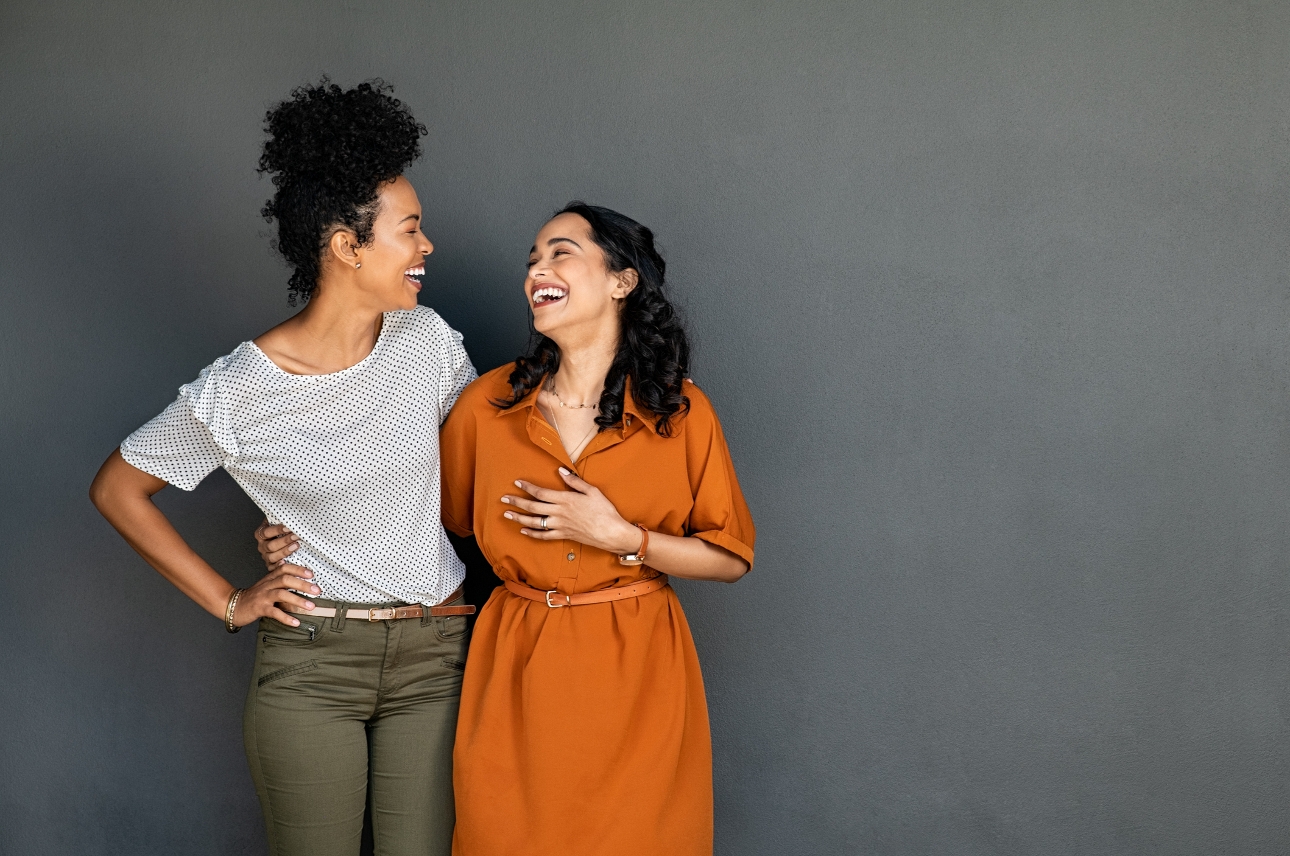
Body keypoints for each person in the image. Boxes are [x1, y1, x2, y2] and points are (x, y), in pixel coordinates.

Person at [258, 202, 756, 855]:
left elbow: (730, 556)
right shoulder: (486, 408)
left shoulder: (682, 413)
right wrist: (293, 525)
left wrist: (622, 537)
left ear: (621, 280)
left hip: (639, 670)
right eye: (532, 260)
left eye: (560, 252)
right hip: (517, 669)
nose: (537, 270)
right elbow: (416, 513)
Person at [89, 79, 476, 856]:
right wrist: (231, 600)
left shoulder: (429, 343)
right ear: (347, 245)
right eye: (410, 230)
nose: (426, 247)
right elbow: (119, 490)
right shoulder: (238, 390)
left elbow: (479, 475)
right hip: (312, 670)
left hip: (437, 654)